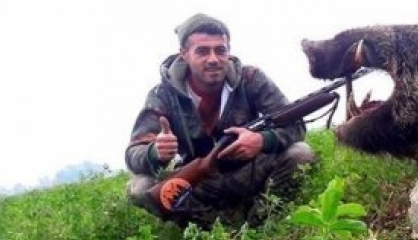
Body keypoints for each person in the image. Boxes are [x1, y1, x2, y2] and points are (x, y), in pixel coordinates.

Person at [125, 13, 317, 228]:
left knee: (300, 153)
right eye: (203, 51)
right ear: (184, 54)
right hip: (199, 183)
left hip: (249, 171)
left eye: (220, 50)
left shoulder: (251, 79)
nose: (214, 59)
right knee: (139, 187)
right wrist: (155, 152)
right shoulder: (162, 95)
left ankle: (261, 226)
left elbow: (296, 125)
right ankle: (210, 231)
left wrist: (262, 141)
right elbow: (133, 154)